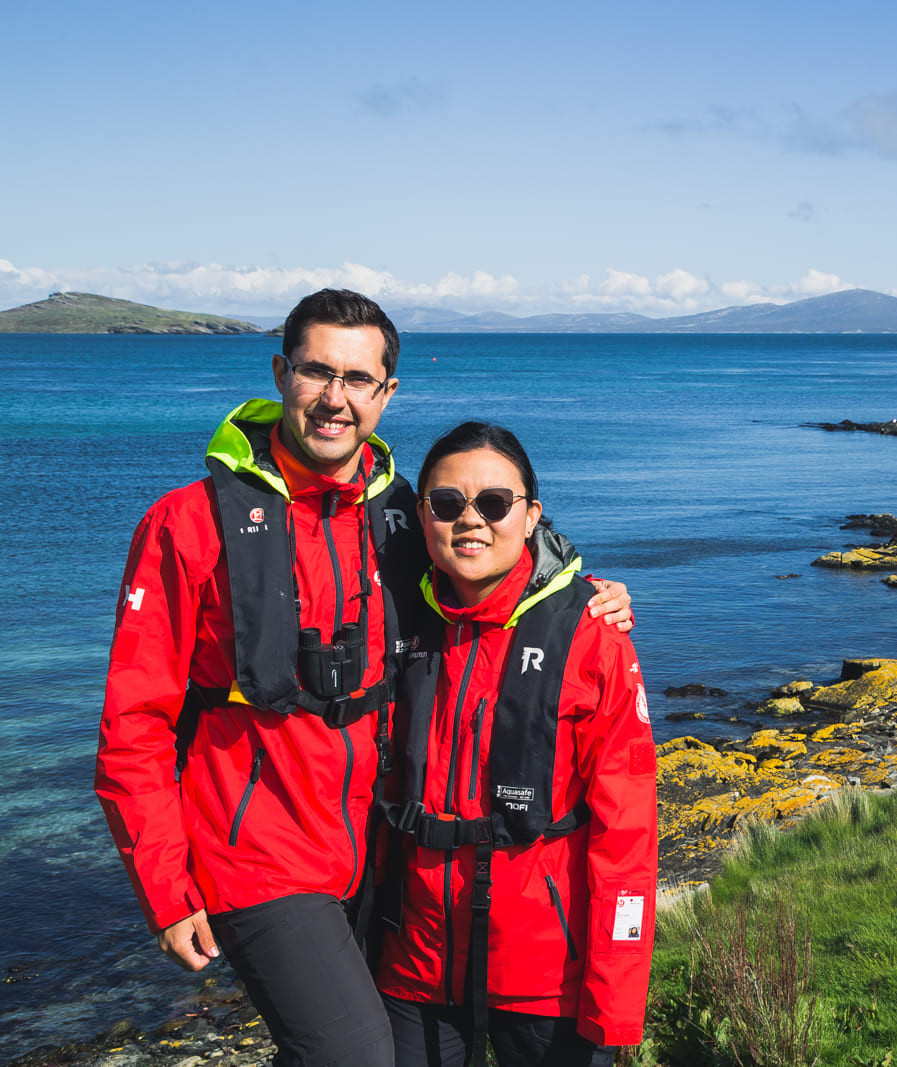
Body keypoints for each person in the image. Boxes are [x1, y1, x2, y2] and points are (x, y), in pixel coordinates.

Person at [95, 290, 632, 1067]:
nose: (335, 398)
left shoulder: (400, 516)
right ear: (281, 373)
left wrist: (586, 593)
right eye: (316, 372)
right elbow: (133, 721)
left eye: (358, 378)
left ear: (387, 393)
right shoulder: (188, 523)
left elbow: (489, 565)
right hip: (260, 854)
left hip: (378, 855)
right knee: (354, 1054)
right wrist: (167, 889)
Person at [375, 422, 656, 1067]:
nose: (470, 520)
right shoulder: (394, 619)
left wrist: (614, 998)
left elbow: (628, 832)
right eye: (446, 504)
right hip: (411, 965)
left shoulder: (592, 634)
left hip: (545, 978)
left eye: (495, 504)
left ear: (531, 515)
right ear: (422, 517)